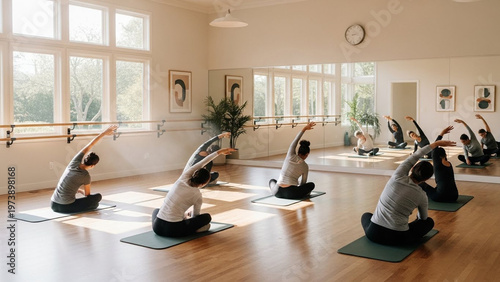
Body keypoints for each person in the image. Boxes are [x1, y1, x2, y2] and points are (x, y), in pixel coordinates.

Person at [361, 139, 456, 246]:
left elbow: (415, 156)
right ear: (426, 179)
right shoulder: (422, 195)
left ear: (412, 168)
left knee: (366, 215)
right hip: (398, 238)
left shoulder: (397, 176)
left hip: (373, 234)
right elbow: (423, 219)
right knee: (429, 222)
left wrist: (436, 144)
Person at [152, 147, 236, 237]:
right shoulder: (197, 195)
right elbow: (196, 217)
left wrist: (219, 152)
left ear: (194, 174)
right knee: (206, 217)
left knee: (156, 211)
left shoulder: (183, 178)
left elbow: (202, 162)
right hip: (174, 230)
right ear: (204, 183)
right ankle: (196, 228)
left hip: (157, 227)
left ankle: (183, 217)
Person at [51, 125, 118, 213]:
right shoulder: (86, 176)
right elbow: (87, 195)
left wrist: (104, 133)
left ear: (85, 158)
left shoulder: (74, 162)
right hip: (66, 207)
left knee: (93, 201)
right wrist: (82, 191)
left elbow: (90, 144)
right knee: (97, 199)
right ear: (92, 166)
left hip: (53, 204)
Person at [268, 121, 316, 199]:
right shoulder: (305, 166)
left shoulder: (290, 155)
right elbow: (303, 184)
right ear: (307, 154)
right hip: (291, 193)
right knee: (311, 185)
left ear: (298, 151)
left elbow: (295, 140)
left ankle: (277, 191)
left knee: (272, 181)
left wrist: (304, 129)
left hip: (277, 192)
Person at [418, 126, 459, 203]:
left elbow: (434, 146)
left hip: (440, 196)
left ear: (437, 156)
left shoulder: (438, 165)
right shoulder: (449, 164)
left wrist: (441, 133)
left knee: (420, 183)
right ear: (445, 155)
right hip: (454, 196)